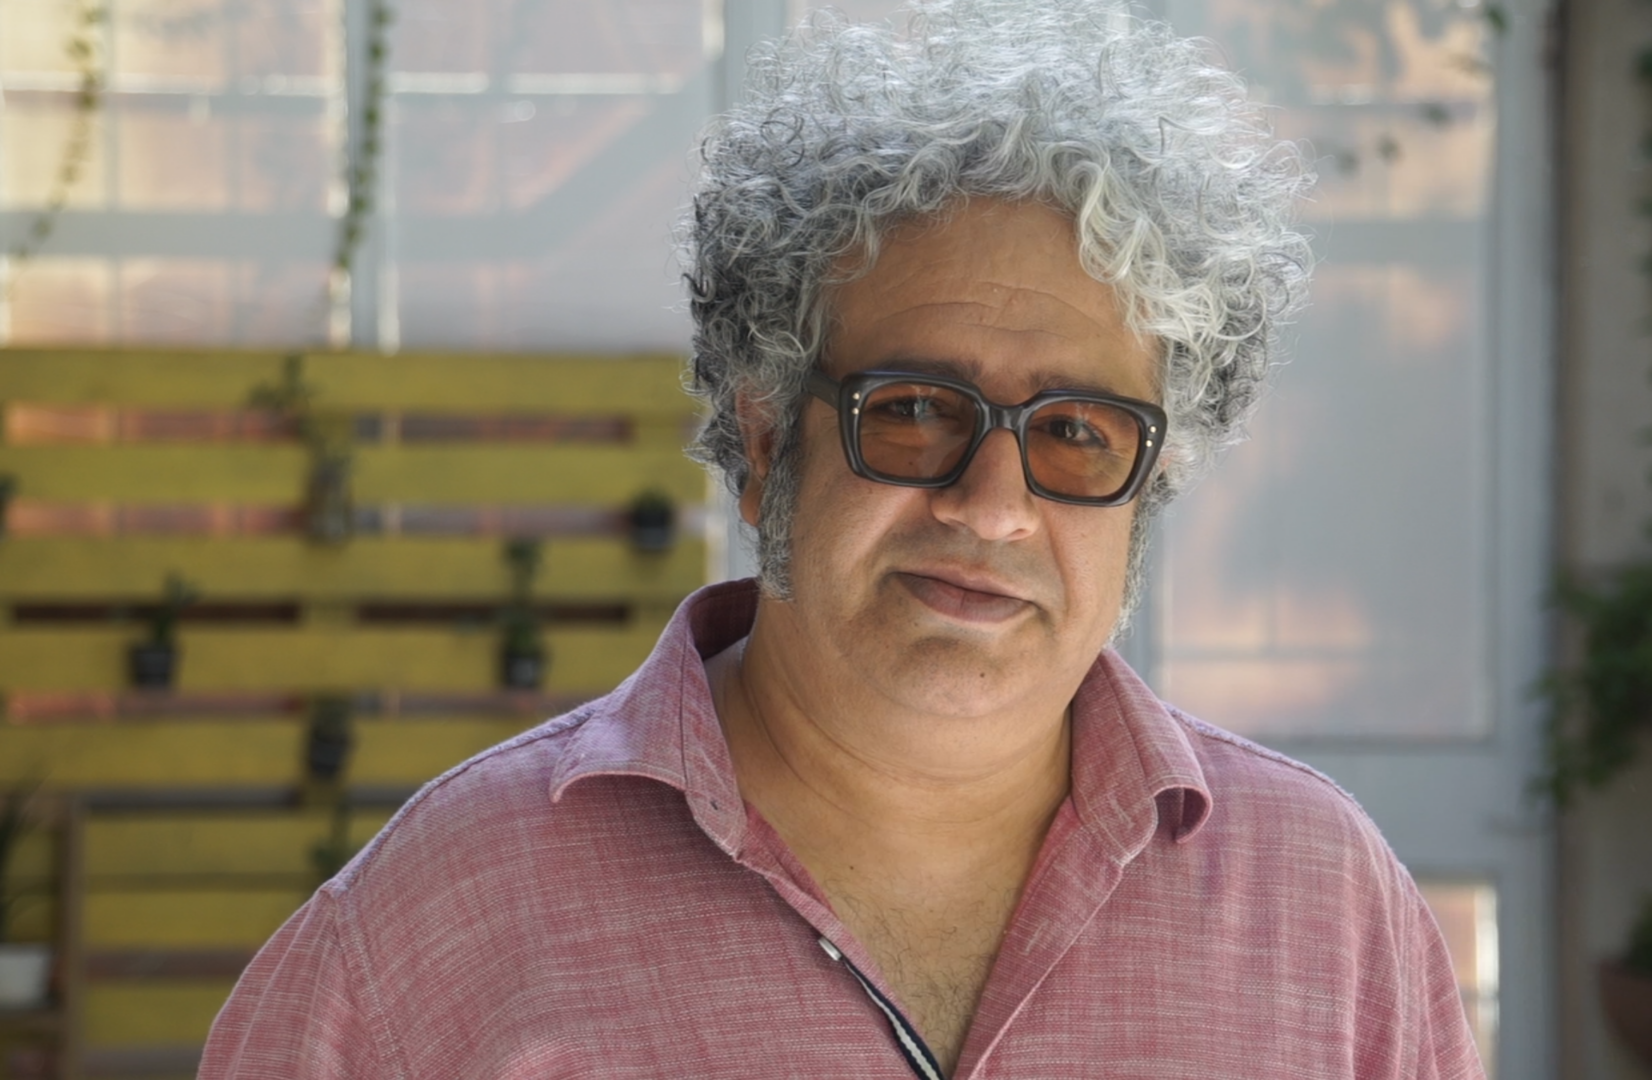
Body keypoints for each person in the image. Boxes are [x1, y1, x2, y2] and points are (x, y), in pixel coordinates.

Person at [199, 1, 1485, 1076]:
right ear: (767, 442)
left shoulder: (1329, 913)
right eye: (916, 411)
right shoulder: (430, 935)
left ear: (1151, 483)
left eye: (1076, 433)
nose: (993, 505)